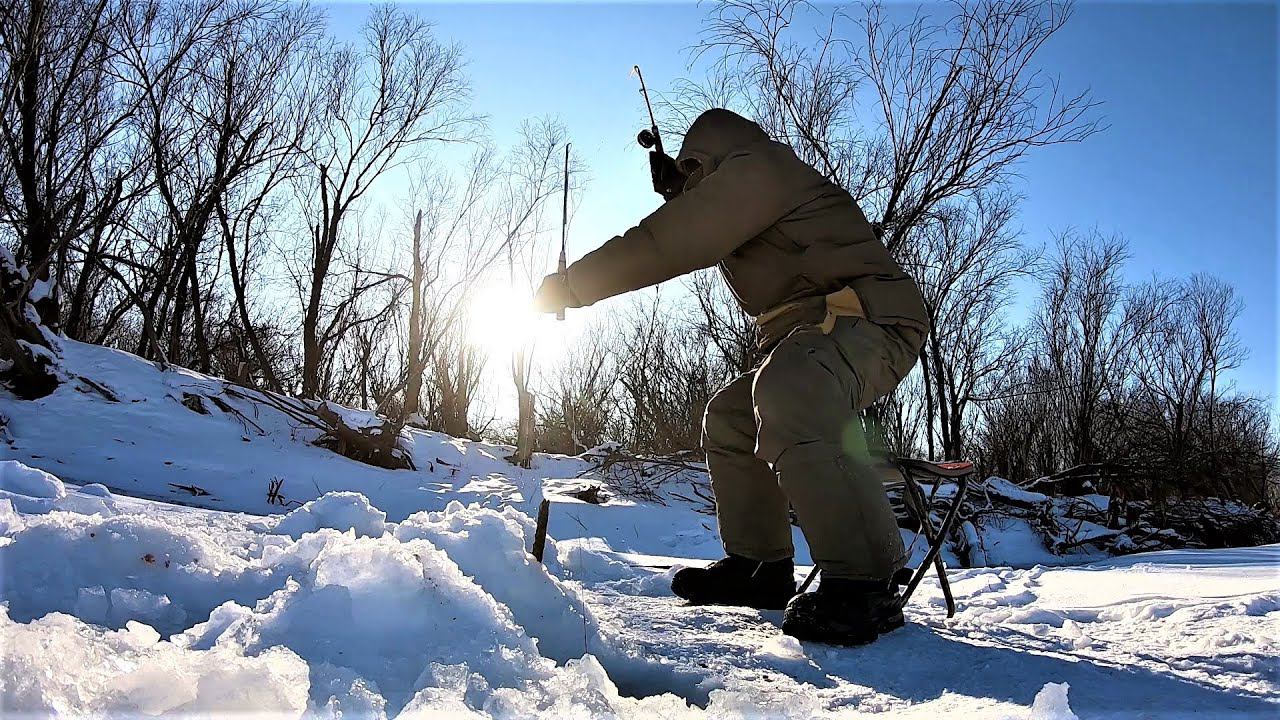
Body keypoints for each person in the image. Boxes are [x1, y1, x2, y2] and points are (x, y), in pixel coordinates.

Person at [532, 108, 929, 646]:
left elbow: (670, 242)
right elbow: (704, 223)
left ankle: (869, 582)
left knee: (792, 388)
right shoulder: (741, 187)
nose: (689, 187)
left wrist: (573, 284)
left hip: (870, 319)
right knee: (731, 418)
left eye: (694, 174)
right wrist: (683, 192)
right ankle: (761, 567)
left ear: (712, 158)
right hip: (813, 333)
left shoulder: (760, 168)